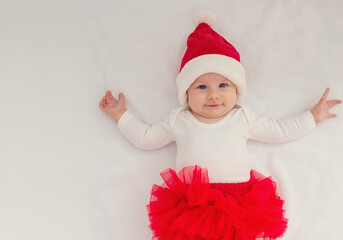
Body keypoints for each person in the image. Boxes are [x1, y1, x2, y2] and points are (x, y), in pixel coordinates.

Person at [99, 11, 341, 240]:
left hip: (239, 202)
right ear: (186, 93)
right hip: (192, 205)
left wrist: (312, 117)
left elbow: (279, 131)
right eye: (202, 87)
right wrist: (121, 114)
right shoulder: (179, 119)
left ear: (237, 90)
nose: (213, 95)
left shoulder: (243, 118)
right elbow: (146, 138)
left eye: (223, 86)